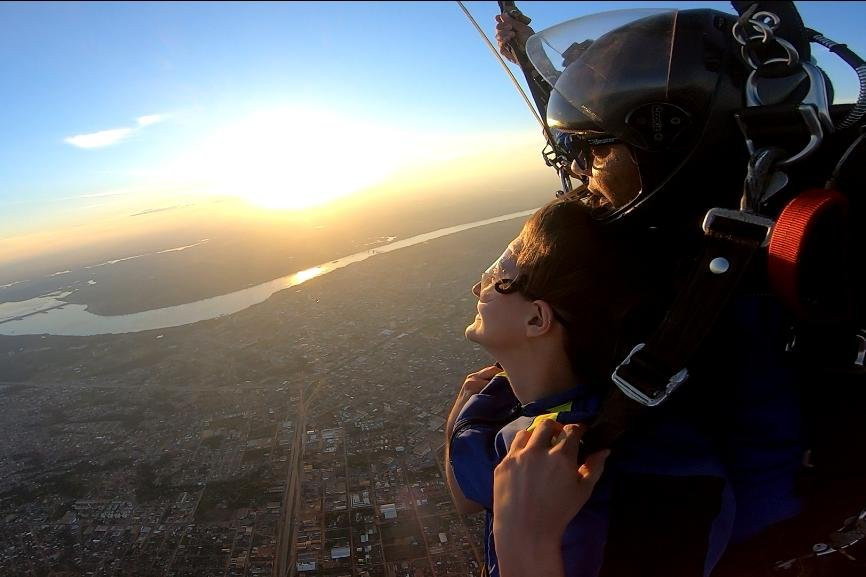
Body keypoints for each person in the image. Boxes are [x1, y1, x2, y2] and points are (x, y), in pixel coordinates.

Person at [486, 5, 866, 577]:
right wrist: (530, 59)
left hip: (740, 541)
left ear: (666, 137)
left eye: (593, 148)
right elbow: (641, 155)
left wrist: (524, 544)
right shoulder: (696, 220)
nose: (580, 171)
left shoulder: (773, 267)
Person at [445, 198, 784, 577]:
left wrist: (525, 542)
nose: (477, 288)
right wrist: (463, 415)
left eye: (498, 277)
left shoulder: (654, 483)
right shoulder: (532, 409)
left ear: (537, 318)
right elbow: (468, 493)